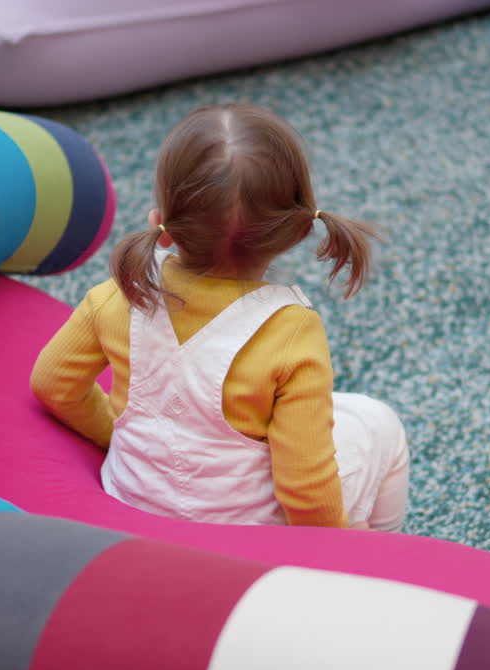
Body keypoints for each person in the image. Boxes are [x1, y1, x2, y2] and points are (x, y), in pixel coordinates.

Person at [30, 103, 408, 530]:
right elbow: (306, 490)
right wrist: (333, 550)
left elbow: (53, 383)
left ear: (162, 224)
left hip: (132, 506)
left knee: (338, 412)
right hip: (246, 537)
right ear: (298, 230)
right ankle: (376, 561)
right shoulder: (290, 332)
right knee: (380, 425)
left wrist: (114, 433)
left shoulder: (121, 293)